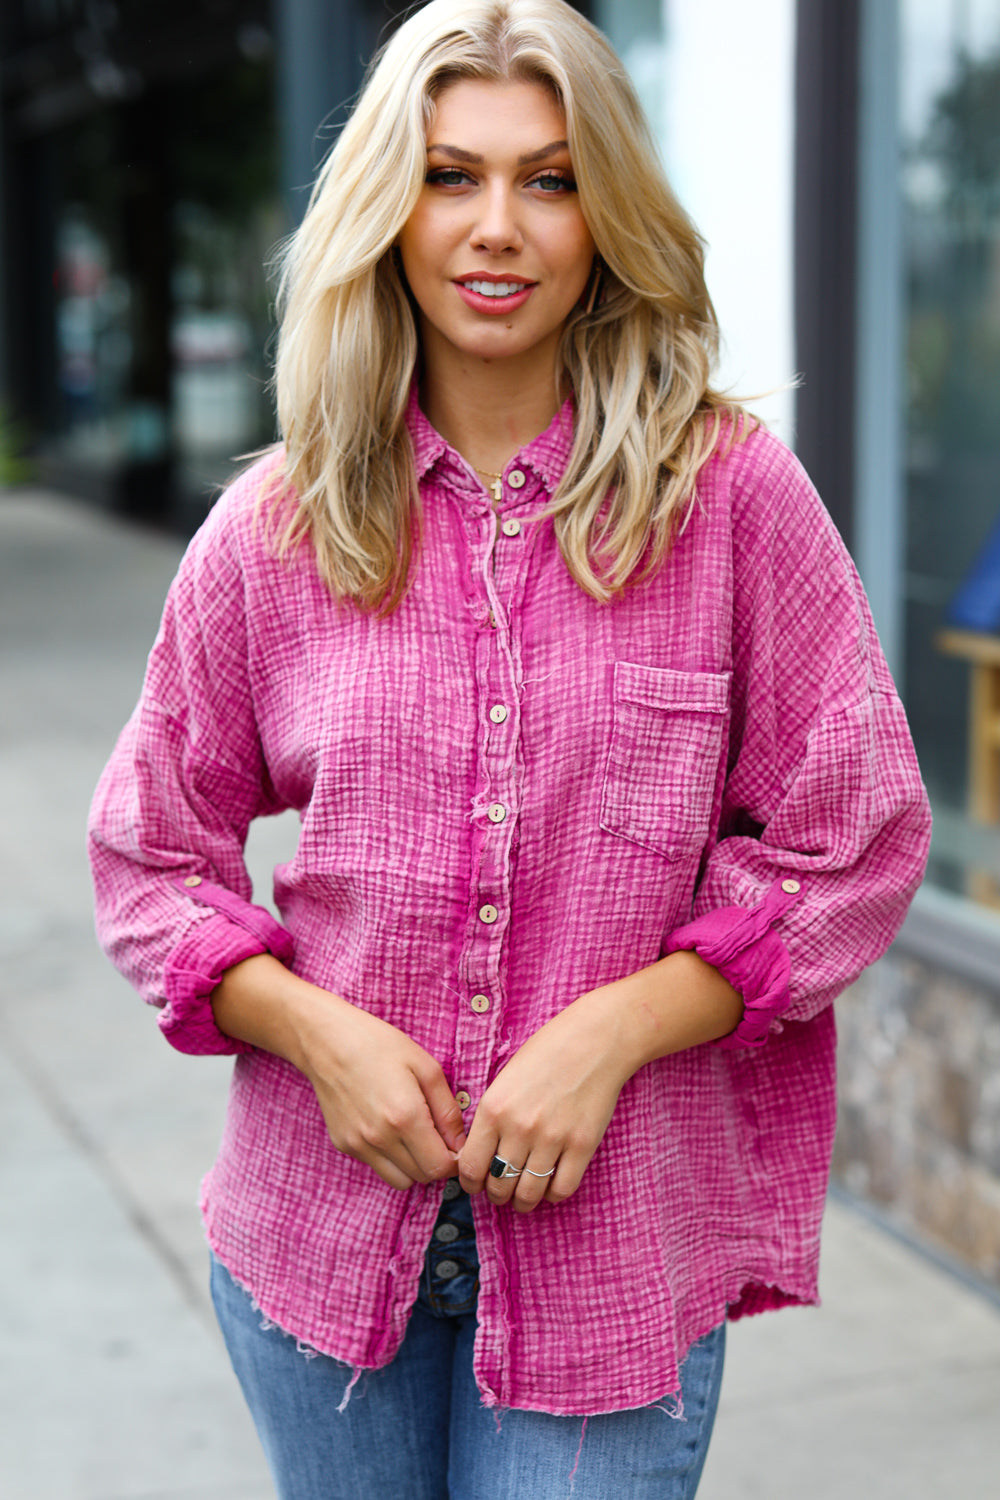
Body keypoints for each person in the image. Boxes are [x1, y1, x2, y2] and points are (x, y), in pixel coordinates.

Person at [88, 2, 932, 1496]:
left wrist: (614, 1033)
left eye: (549, 178)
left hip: (617, 1260)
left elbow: (854, 843)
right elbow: (149, 852)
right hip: (318, 1253)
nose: (499, 228)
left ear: (607, 213)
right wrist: (312, 1032)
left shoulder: (732, 502)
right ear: (387, 207)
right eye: (449, 175)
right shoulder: (280, 527)